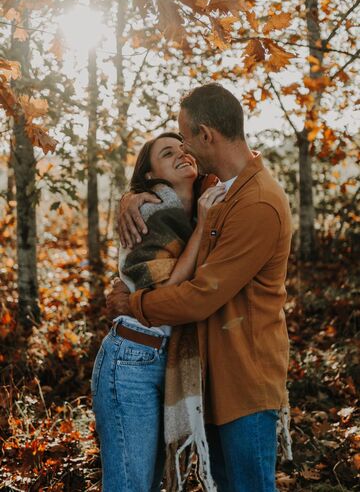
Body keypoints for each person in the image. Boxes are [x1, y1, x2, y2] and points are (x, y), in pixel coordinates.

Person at [107, 83, 293, 492]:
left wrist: (134, 304)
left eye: (186, 137)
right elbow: (166, 190)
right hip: (215, 374)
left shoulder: (256, 203)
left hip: (245, 378)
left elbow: (201, 296)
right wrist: (132, 198)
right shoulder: (222, 186)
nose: (184, 148)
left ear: (206, 135)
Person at [91, 132, 226, 492]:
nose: (182, 154)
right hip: (131, 361)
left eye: (184, 148)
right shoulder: (149, 212)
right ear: (150, 176)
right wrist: (201, 225)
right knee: (130, 485)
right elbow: (165, 296)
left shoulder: (200, 202)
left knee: (147, 484)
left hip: (163, 360)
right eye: (168, 153)